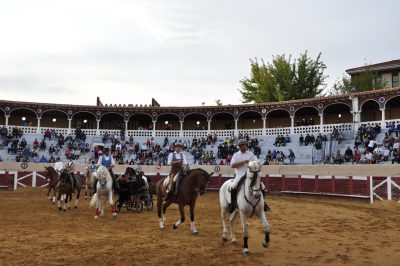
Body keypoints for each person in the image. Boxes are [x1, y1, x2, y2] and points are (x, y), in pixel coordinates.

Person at [229, 139, 269, 214]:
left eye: (246, 145)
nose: (246, 146)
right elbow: (232, 165)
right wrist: (243, 162)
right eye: (244, 145)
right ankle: (232, 205)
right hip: (240, 174)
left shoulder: (250, 154)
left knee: (262, 186)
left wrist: (256, 163)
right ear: (240, 146)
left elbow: (256, 161)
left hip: (250, 174)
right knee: (233, 186)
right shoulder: (236, 155)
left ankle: (264, 204)